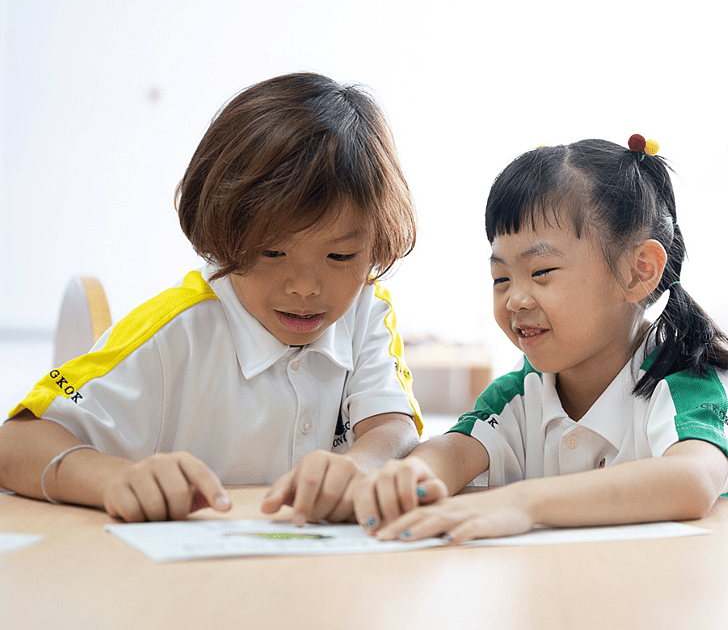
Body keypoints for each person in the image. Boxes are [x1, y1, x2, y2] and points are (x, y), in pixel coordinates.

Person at [0, 72, 422, 524]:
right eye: (271, 251)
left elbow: (392, 425)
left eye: (340, 255)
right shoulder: (176, 329)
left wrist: (358, 466)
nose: (305, 287)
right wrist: (115, 478)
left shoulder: (364, 308)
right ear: (223, 234)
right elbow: (17, 443)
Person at [353, 136, 728, 543]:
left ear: (638, 272)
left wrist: (523, 502)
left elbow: (690, 479)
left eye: (542, 271)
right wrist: (412, 476)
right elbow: (455, 451)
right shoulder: (520, 394)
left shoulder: (682, 379)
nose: (514, 298)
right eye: (501, 278)